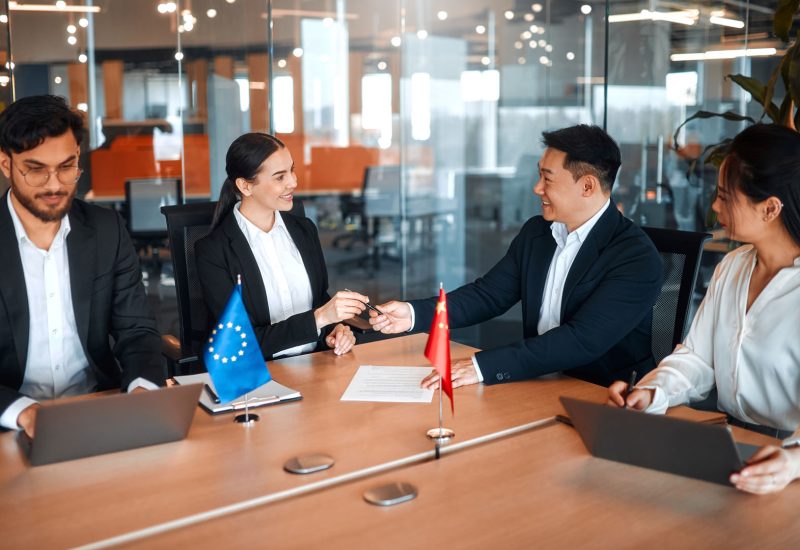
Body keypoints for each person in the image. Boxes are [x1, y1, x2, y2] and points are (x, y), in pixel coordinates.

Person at [370, 124, 663, 388]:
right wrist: (412, 314)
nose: (537, 189)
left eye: (547, 179)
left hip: (604, 396)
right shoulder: (538, 233)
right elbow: (489, 295)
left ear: (587, 186)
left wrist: (481, 367)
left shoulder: (635, 256)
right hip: (539, 381)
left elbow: (581, 340)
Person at [608, 124, 800, 495]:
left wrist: (792, 462)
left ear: (771, 208)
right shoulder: (733, 267)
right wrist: (651, 393)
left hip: (785, 466)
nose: (715, 206)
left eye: (726, 197)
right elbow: (698, 359)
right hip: (730, 445)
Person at [0, 95, 165, 438]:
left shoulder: (106, 229)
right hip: (9, 423)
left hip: (97, 408)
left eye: (66, 166)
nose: (55, 184)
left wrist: (141, 390)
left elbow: (136, 331)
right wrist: (23, 413)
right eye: (35, 169)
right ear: (6, 165)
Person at [196, 133, 367, 360]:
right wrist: (319, 319)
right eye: (279, 177)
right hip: (258, 377)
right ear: (245, 186)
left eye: (292, 170)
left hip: (317, 365)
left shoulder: (304, 230)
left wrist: (334, 329)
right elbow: (240, 342)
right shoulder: (214, 250)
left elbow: (319, 300)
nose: (293, 182)